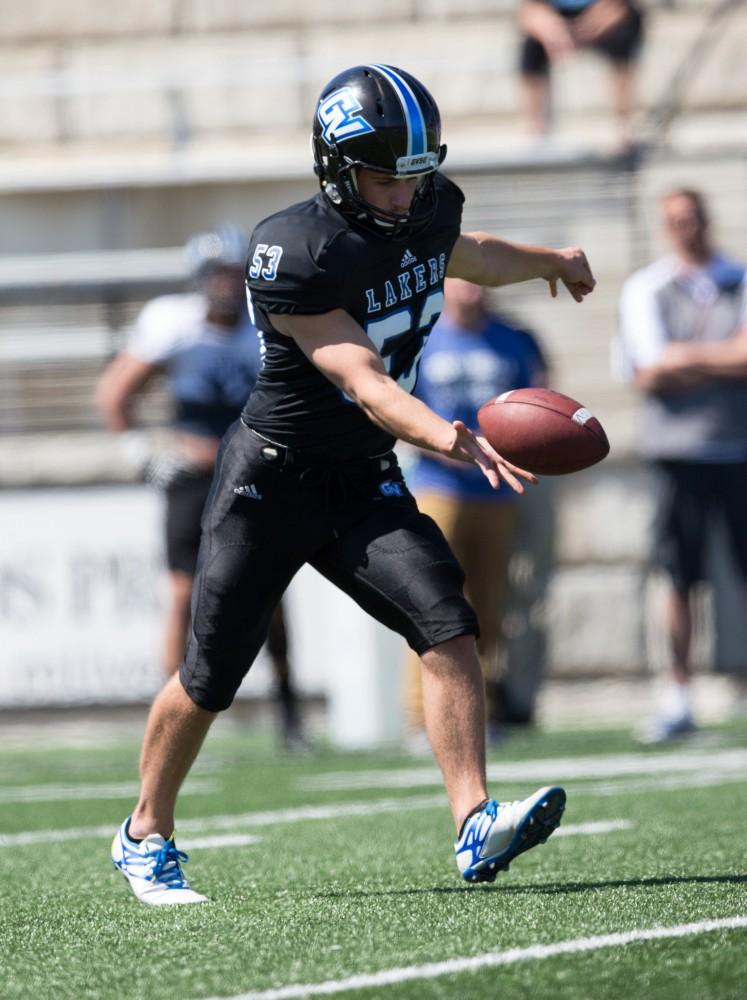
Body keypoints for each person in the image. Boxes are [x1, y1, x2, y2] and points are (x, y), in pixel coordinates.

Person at [110, 63, 595, 905]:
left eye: (414, 178)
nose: (406, 197)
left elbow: (464, 255)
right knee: (209, 674)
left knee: (445, 623)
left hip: (360, 476)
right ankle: (144, 831)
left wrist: (546, 261)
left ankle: (472, 821)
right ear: (335, 169)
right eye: (384, 178)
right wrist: (451, 436)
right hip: (270, 480)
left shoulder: (426, 204)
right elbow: (363, 379)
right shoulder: (295, 251)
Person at [95, 225, 306, 749]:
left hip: (257, 472)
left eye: (238, 274)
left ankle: (289, 713)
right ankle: (172, 724)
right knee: (184, 595)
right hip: (194, 476)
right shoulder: (174, 323)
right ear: (201, 279)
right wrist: (141, 454)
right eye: (221, 274)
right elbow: (115, 392)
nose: (230, 286)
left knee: (271, 597)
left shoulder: (265, 323)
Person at [617, 188, 747, 743]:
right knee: (679, 576)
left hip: (738, 447)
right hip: (675, 453)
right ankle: (678, 692)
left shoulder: (737, 278)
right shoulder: (647, 286)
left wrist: (684, 358)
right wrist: (721, 359)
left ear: (706, 220)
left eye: (692, 218)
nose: (685, 228)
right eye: (675, 221)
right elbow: (647, 369)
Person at [404, 277, 548, 746]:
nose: (476, 289)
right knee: (433, 598)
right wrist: (441, 444)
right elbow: (400, 406)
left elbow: (541, 403)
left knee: (489, 603)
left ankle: (480, 711)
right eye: (465, 279)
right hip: (440, 485)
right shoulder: (422, 337)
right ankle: (423, 717)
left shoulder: (516, 337)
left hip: (498, 489)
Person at [517, 0, 644, 146]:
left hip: (603, 14)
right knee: (531, 49)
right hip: (556, 18)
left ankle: (624, 124)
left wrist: (589, 27)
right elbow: (529, 10)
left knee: (623, 37)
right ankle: (535, 128)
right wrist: (551, 31)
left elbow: (618, 7)